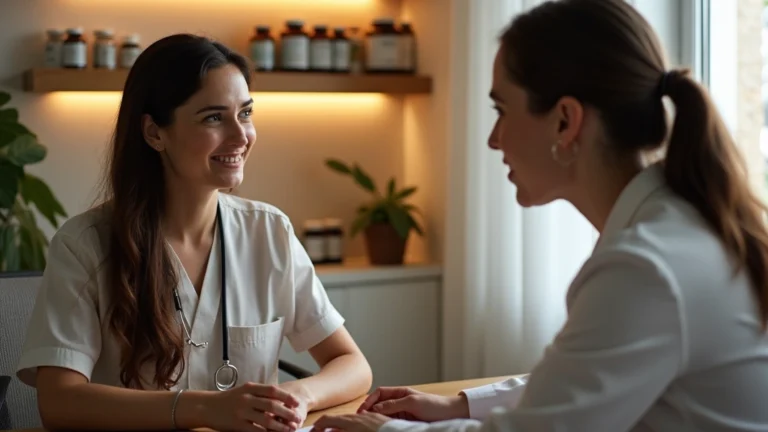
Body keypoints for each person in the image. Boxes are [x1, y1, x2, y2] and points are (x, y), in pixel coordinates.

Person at [310, 0, 768, 431]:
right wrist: (461, 404)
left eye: (501, 110)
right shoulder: (675, 226)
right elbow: (591, 370)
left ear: (565, 122)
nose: (493, 139)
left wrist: (388, 430)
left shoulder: (645, 267)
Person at [15, 33, 372, 432]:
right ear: (154, 133)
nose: (241, 137)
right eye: (214, 118)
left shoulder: (269, 232)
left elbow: (352, 365)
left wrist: (299, 396)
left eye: (246, 113)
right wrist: (201, 409)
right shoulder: (85, 245)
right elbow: (59, 401)